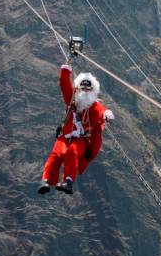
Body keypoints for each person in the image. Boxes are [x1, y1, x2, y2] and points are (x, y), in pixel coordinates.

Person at [38, 65, 114, 195]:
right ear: (78, 89)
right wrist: (66, 70)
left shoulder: (94, 106)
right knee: (55, 155)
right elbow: (64, 85)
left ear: (92, 90)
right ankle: (47, 180)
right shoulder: (72, 101)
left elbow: (100, 111)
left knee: (71, 153)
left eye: (87, 88)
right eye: (82, 87)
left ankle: (68, 181)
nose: (84, 90)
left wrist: (106, 114)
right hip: (64, 136)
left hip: (80, 140)